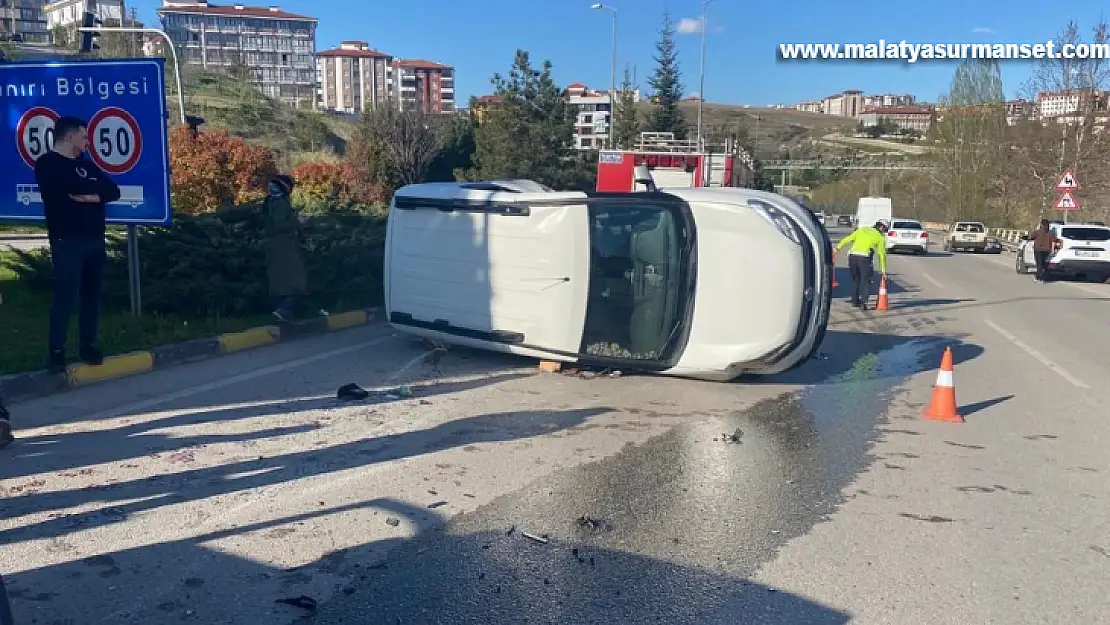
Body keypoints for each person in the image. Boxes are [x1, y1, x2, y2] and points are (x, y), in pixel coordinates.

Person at [34, 116, 121, 373]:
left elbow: (112, 191)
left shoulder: (88, 166)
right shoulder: (48, 164)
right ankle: (57, 350)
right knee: (66, 294)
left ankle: (89, 344)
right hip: (67, 239)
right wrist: (87, 193)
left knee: (92, 295)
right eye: (83, 136)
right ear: (69, 136)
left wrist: (90, 196)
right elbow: (58, 193)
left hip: (94, 239)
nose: (87, 141)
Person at [264, 174, 309, 321]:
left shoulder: (270, 202)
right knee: (296, 282)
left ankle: (282, 311)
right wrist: (298, 222)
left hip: (277, 246)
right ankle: (284, 310)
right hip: (285, 247)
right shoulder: (280, 203)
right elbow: (280, 225)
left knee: (282, 283)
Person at [835, 220, 889, 310]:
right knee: (866, 280)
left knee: (855, 279)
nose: (884, 232)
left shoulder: (862, 230)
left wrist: (837, 248)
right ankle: (864, 301)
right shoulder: (880, 237)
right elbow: (882, 255)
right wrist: (883, 271)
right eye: (885, 230)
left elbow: (848, 239)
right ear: (881, 227)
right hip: (864, 258)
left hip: (852, 256)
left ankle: (855, 301)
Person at [1028, 218, 1060, 283]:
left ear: (1041, 224)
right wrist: (1053, 250)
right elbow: (1053, 242)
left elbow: (1031, 237)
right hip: (1047, 250)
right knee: (1044, 263)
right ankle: (1042, 278)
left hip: (1038, 249)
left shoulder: (1038, 231)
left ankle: (1038, 277)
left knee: (1039, 263)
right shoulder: (1051, 233)